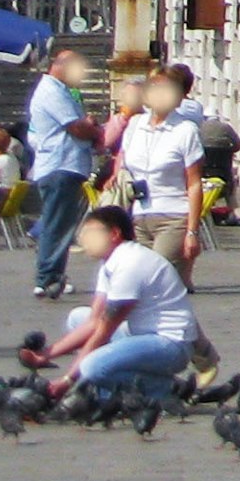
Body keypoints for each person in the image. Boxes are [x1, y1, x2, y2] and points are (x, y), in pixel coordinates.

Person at [32, 205, 198, 410]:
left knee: (92, 367)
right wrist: (47, 354)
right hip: (143, 335)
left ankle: (165, 388)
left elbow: (103, 330)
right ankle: (111, 387)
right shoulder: (111, 261)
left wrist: (68, 379)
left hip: (170, 344)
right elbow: (94, 320)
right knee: (77, 318)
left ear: (114, 234)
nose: (84, 239)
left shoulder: (130, 264)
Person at [22, 42, 99, 301]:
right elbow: (75, 127)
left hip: (68, 165)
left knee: (62, 224)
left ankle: (55, 273)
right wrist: (90, 126)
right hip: (60, 165)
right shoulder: (51, 91)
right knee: (56, 225)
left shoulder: (64, 91)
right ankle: (47, 277)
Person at [112, 70, 204, 280]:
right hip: (139, 215)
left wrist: (192, 231)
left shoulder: (185, 130)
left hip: (173, 215)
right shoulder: (135, 126)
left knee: (155, 276)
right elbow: (124, 163)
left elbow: (194, 182)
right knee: (146, 282)